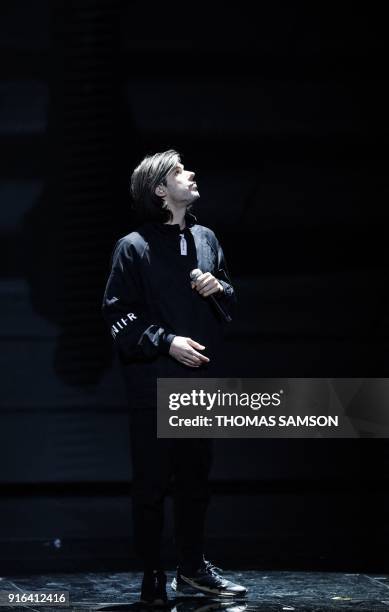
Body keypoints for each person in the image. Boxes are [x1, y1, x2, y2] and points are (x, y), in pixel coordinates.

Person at [102, 150, 247, 605]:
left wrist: (217, 287)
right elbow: (117, 315)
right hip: (154, 385)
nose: (191, 174)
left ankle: (192, 569)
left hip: (199, 386)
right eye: (180, 172)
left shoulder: (206, 237)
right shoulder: (133, 246)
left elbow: (229, 300)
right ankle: (151, 574)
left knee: (195, 483)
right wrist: (167, 342)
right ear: (160, 190)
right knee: (151, 485)